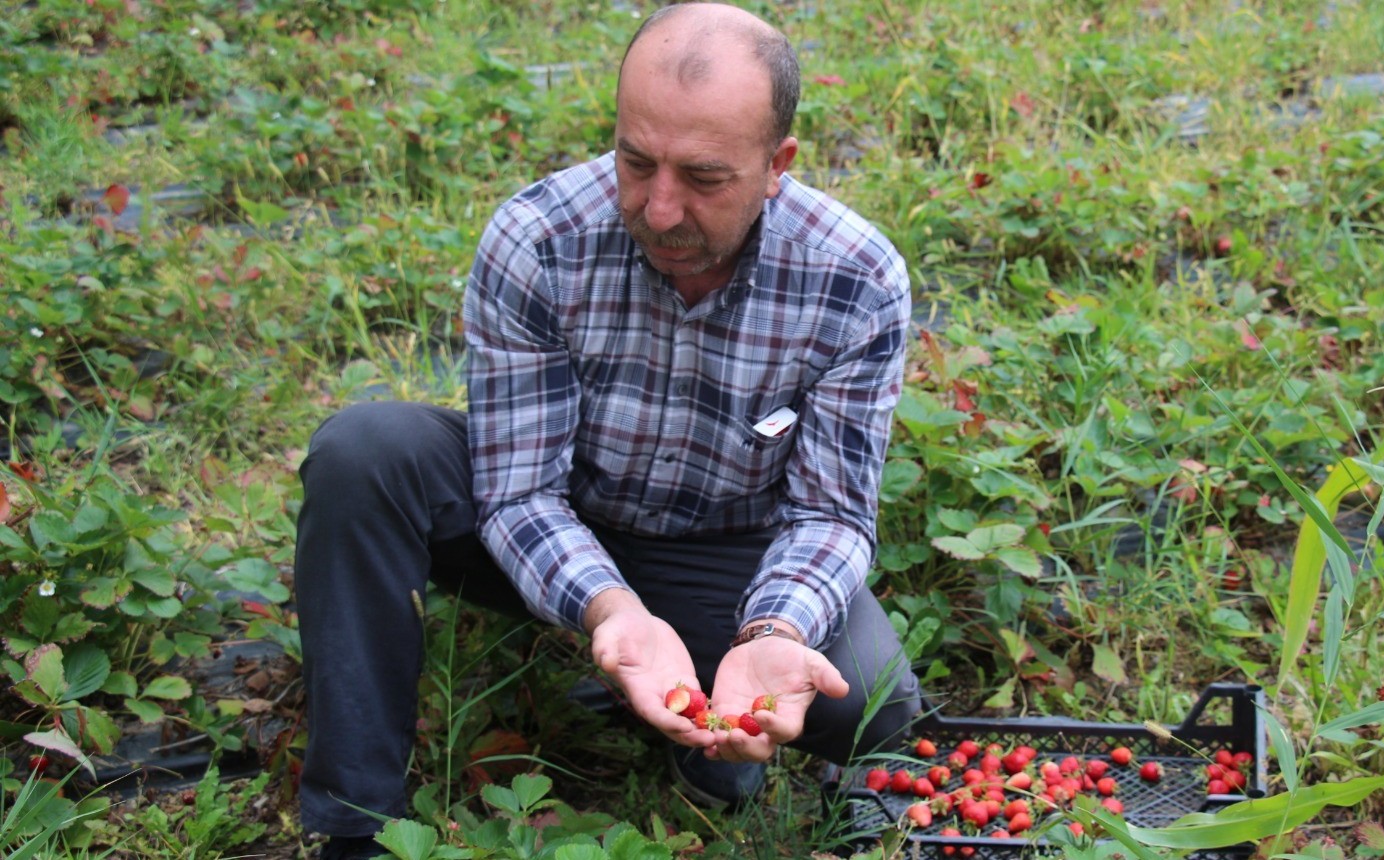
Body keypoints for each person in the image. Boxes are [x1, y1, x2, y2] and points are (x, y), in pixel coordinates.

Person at [293, 3, 920, 857]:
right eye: (636, 162)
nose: (659, 210)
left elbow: (831, 516)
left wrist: (771, 630)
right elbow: (516, 489)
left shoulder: (855, 278)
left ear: (777, 166)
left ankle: (713, 731)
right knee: (364, 456)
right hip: (555, 515)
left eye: (703, 178)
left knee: (873, 703)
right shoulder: (541, 237)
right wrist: (612, 608)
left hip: (724, 549)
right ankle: (355, 826)